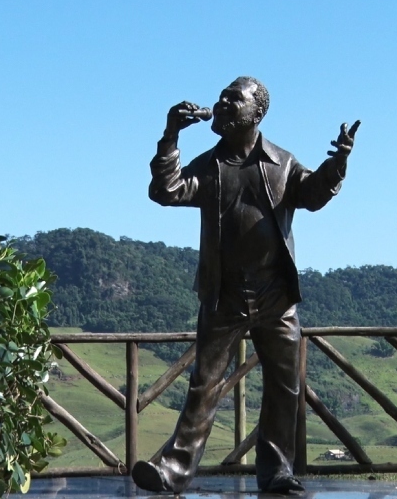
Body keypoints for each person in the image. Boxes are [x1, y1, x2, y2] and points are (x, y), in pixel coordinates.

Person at [132, 76, 358, 495]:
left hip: (276, 294)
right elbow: (166, 191)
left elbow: (311, 195)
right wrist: (170, 135)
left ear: (257, 113)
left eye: (232, 98)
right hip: (225, 292)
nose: (221, 103)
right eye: (221, 96)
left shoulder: (283, 163)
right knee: (204, 383)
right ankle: (172, 472)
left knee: (284, 385)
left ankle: (276, 473)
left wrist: (338, 162)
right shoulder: (207, 165)